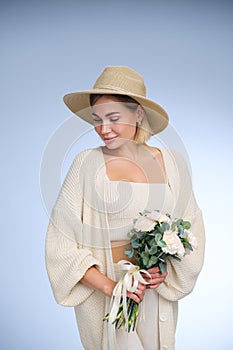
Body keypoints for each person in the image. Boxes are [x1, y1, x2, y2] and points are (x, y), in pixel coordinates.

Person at [45, 66, 205, 350]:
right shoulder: (86, 164)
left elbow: (191, 229)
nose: (103, 129)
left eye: (114, 118)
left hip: (155, 297)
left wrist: (165, 271)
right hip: (109, 296)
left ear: (138, 114)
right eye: (97, 120)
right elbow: (60, 242)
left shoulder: (172, 163)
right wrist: (112, 288)